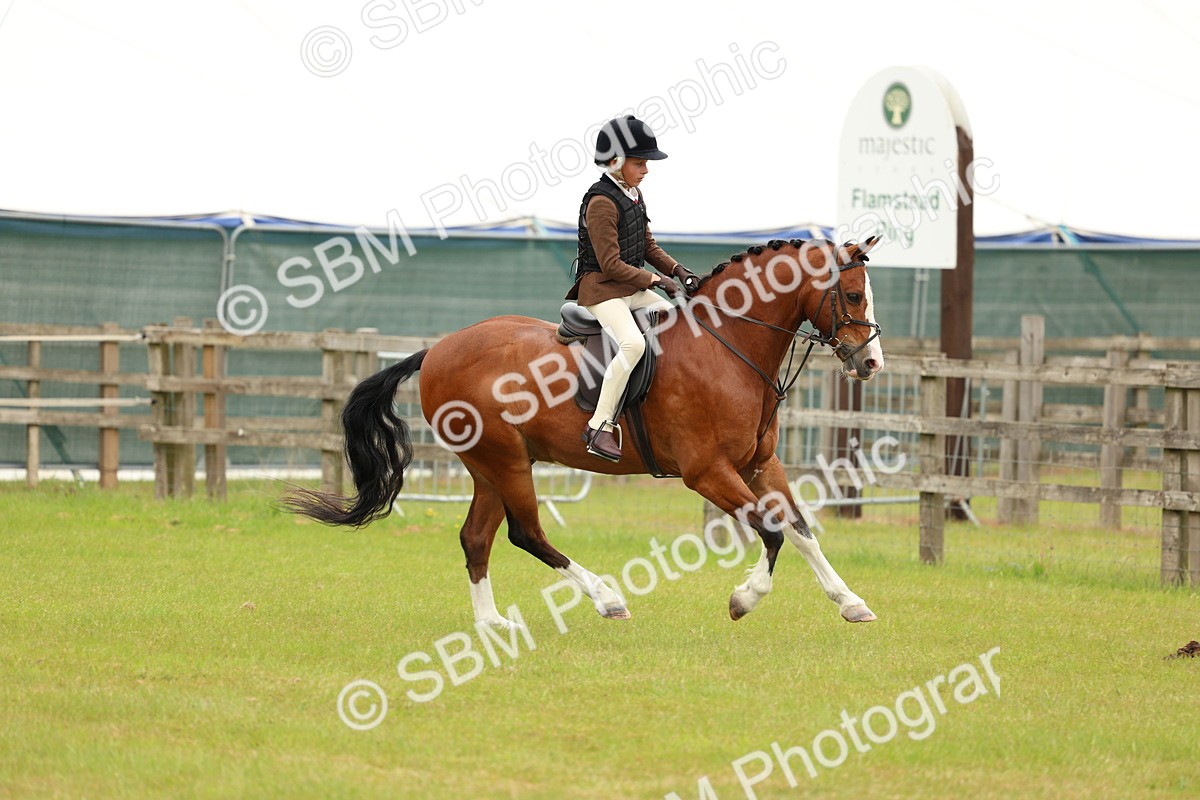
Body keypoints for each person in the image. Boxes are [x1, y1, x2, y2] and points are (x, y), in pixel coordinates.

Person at [566, 115, 701, 462]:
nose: (646, 170)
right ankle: (599, 425)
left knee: (681, 324)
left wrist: (677, 270)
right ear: (615, 162)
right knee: (633, 343)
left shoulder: (633, 194)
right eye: (639, 163)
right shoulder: (601, 203)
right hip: (602, 290)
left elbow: (647, 247)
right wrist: (656, 280)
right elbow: (610, 265)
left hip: (630, 288)